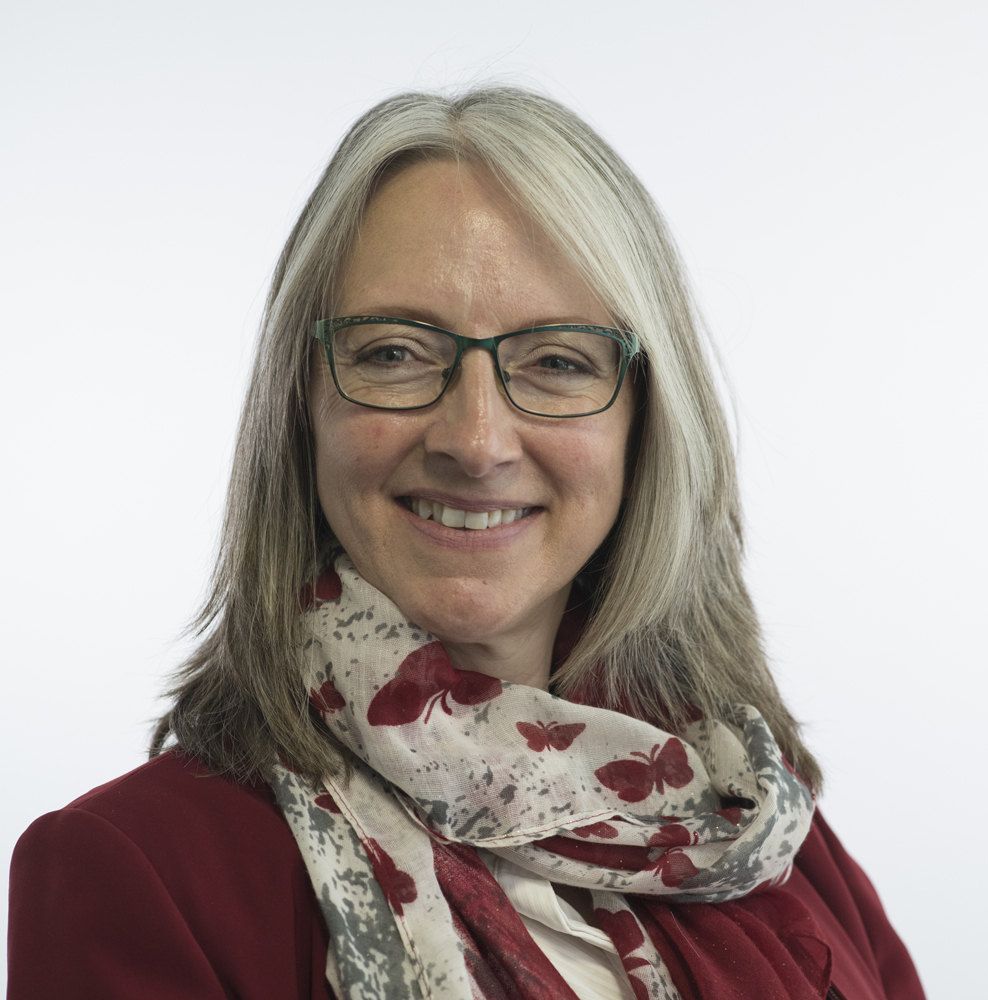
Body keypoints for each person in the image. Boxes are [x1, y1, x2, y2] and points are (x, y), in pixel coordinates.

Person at [7, 88, 925, 1000]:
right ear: (303, 406)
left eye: (558, 360)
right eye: (394, 352)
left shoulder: (756, 831)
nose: (476, 441)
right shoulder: (134, 873)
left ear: (648, 424)